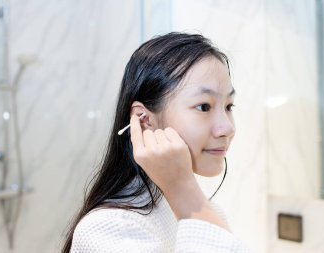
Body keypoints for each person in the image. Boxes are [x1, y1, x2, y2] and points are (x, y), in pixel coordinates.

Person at [62, 32, 254, 253]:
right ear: (144, 120)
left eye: (229, 106)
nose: (227, 128)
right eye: (204, 106)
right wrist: (185, 193)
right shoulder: (107, 230)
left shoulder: (198, 208)